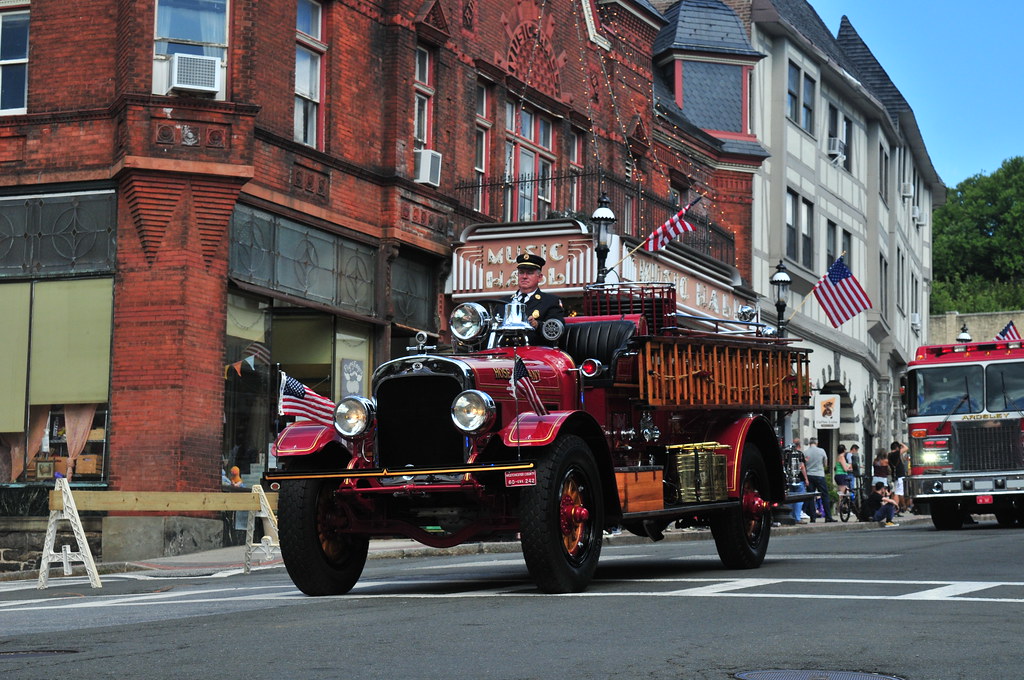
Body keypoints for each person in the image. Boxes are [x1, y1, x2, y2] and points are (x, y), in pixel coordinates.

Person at [510, 253, 564, 345]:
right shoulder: (504, 302)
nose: (524, 276)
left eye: (530, 273)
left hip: (535, 355)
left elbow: (556, 330)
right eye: (521, 272)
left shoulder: (550, 301)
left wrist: (537, 325)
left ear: (539, 277)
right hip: (504, 355)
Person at [803, 437, 835, 522]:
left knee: (811, 496)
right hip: (820, 475)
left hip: (809, 475)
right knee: (825, 495)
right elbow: (825, 464)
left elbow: (803, 465)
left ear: (810, 443)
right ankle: (828, 516)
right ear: (817, 443)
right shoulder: (822, 451)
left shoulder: (805, 452)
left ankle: (812, 517)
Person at [787, 443, 810, 524]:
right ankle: (797, 518)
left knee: (790, 499)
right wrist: (806, 479)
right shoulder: (799, 454)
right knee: (799, 499)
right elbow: (802, 467)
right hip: (799, 480)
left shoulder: (787, 454)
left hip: (789, 480)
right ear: (798, 447)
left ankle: (789, 517)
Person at [888, 440, 909, 515]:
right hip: (899, 476)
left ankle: (896, 508)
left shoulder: (889, 455)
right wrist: (901, 443)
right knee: (898, 493)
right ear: (897, 448)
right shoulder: (896, 454)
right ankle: (897, 508)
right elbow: (906, 448)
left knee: (896, 492)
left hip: (895, 476)